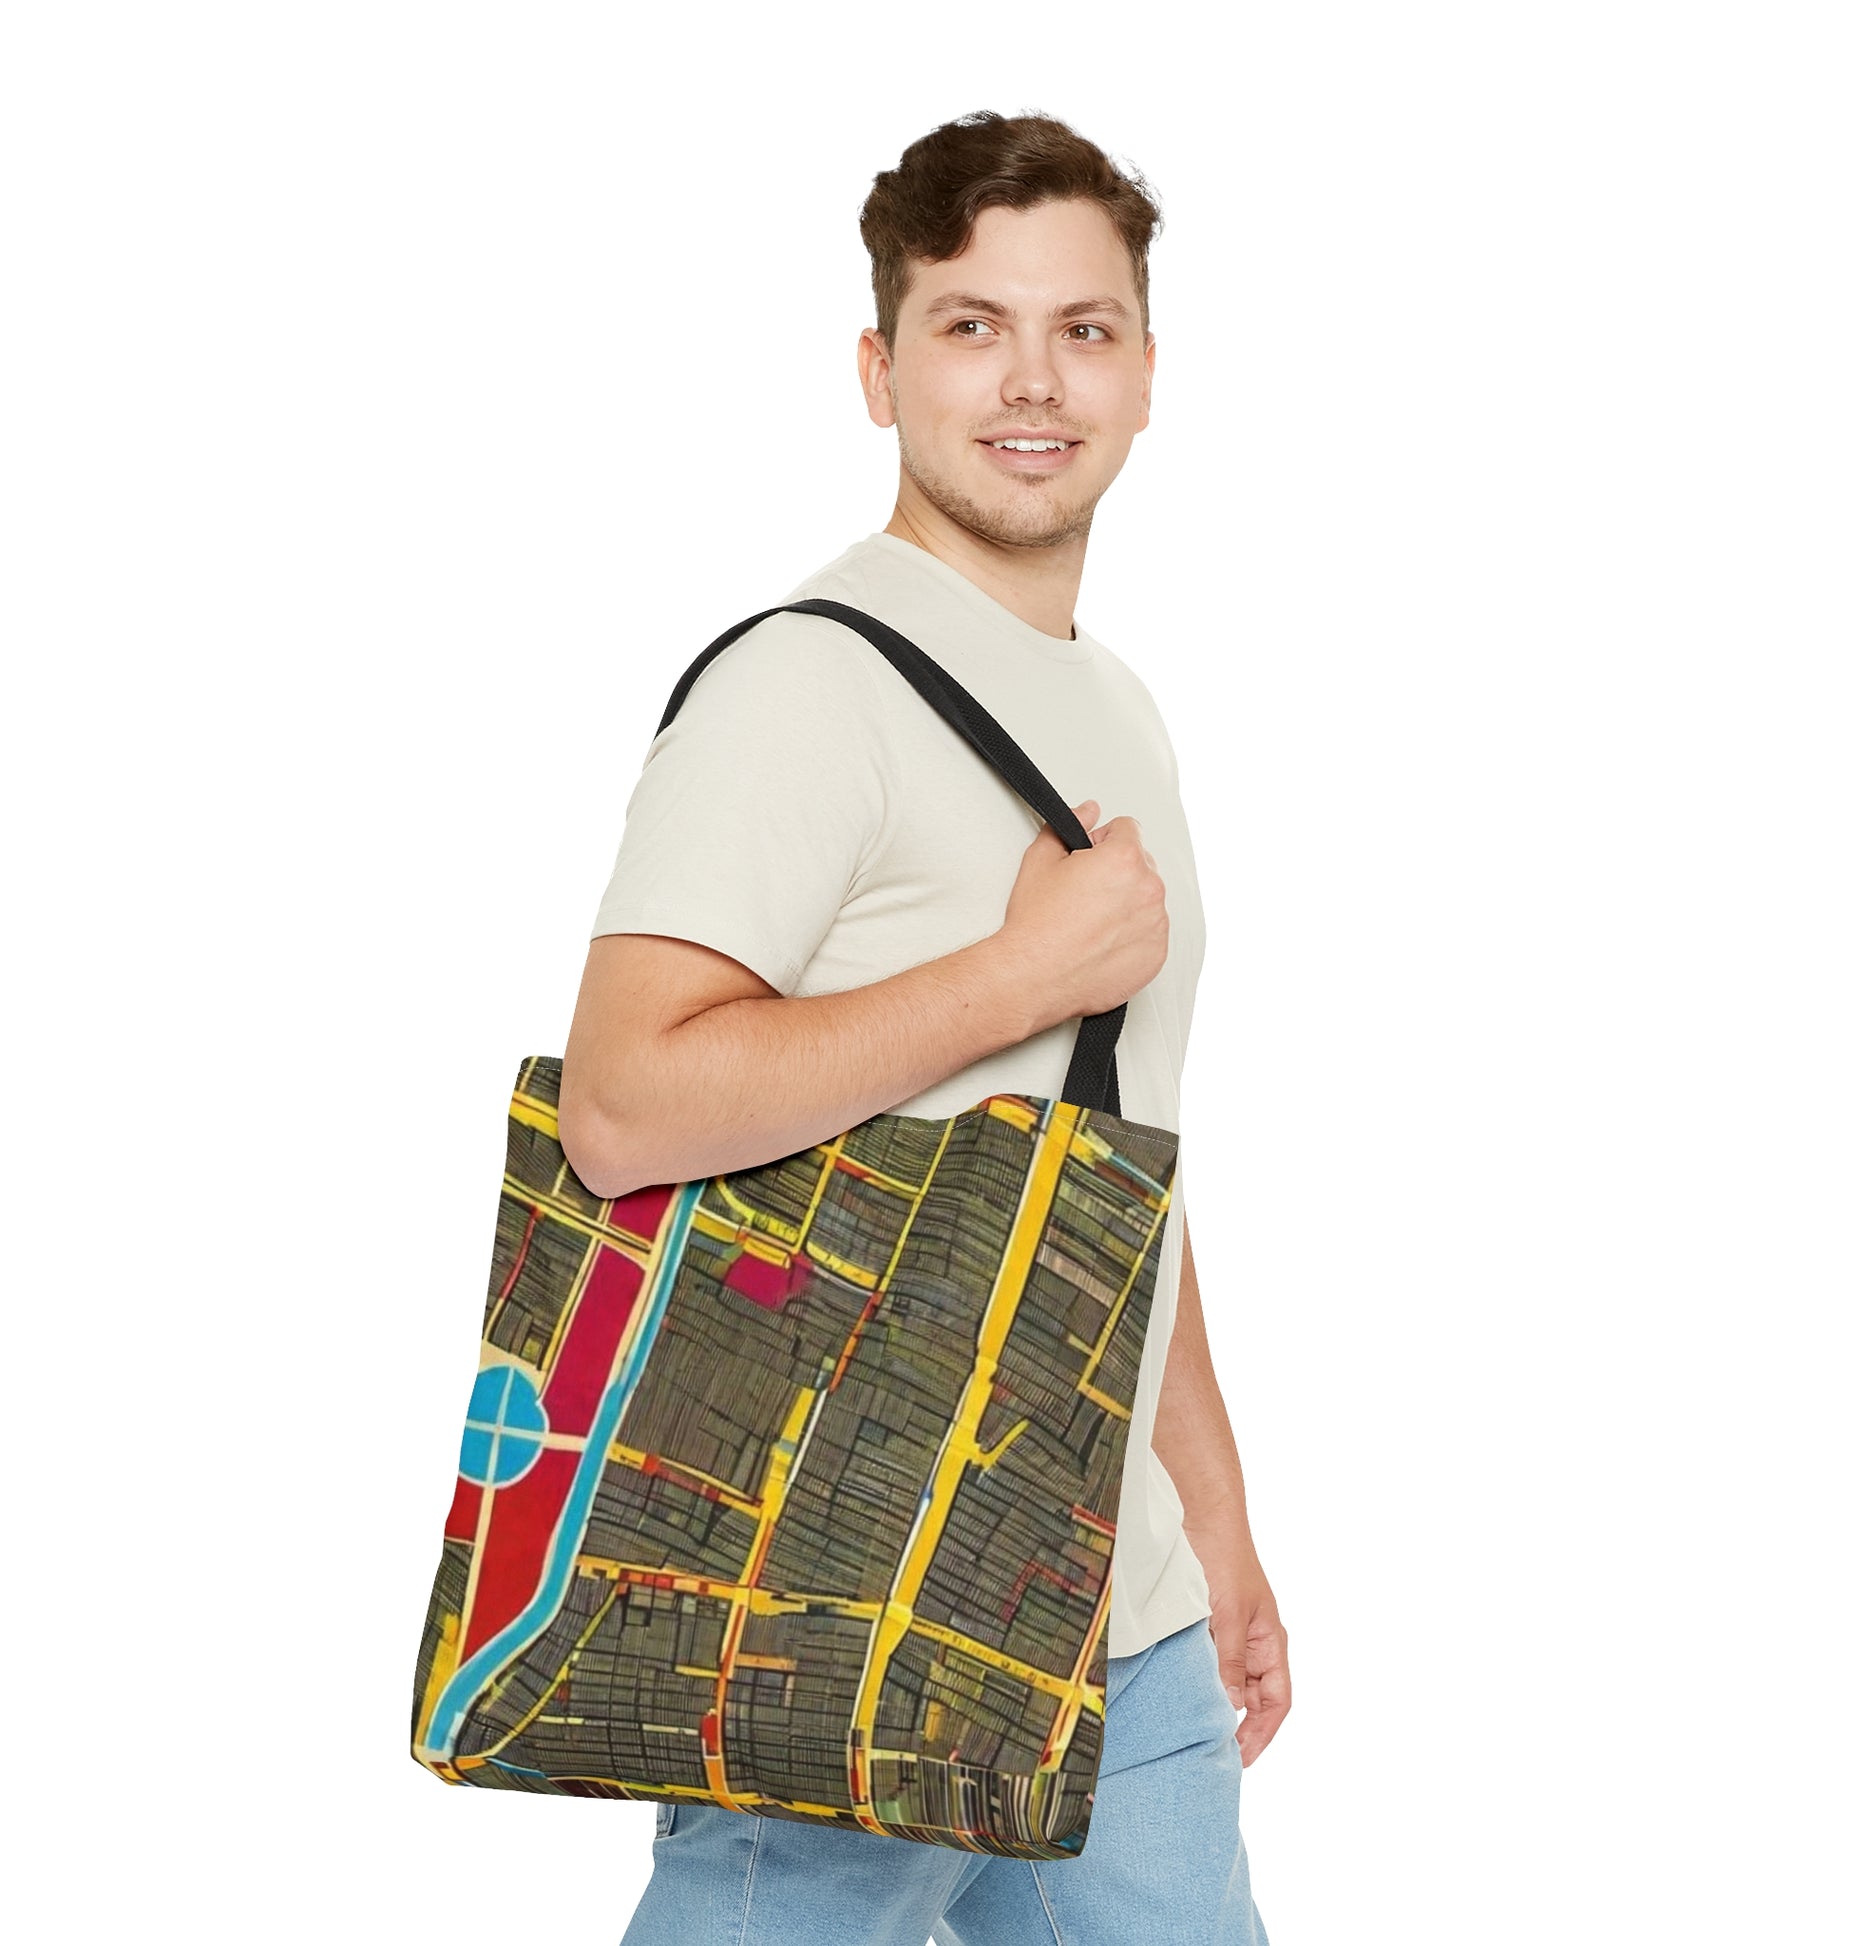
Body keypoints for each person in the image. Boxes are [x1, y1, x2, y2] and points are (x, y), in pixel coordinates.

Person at [560, 108, 1285, 1946]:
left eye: (1082, 329)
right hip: (850, 1602)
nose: (1032, 380)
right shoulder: (803, 684)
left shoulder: (1115, 704)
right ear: (880, 372)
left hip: (1120, 1624)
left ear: (1144, 373)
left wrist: (1211, 1520)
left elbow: (1111, 1152)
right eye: (972, 326)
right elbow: (624, 1105)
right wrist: (1013, 976)